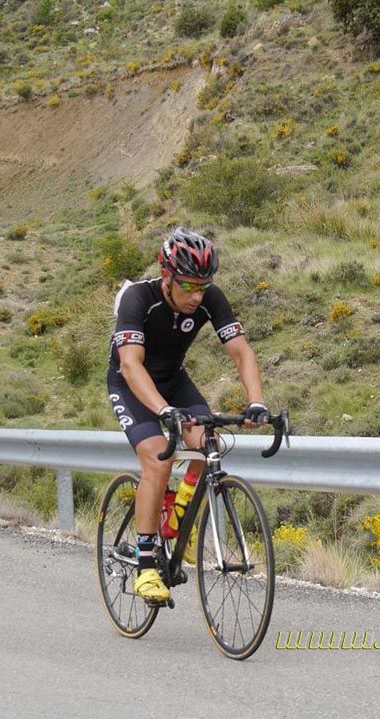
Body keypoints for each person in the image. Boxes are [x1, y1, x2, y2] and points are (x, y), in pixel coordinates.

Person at [107, 227, 269, 605]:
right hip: (131, 384)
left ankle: (174, 516)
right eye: (187, 287)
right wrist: (163, 411)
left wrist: (256, 401)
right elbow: (131, 365)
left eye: (203, 286)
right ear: (167, 277)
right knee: (158, 457)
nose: (197, 296)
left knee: (208, 442)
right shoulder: (138, 298)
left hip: (174, 381)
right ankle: (146, 564)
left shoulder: (209, 297)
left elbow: (241, 352)